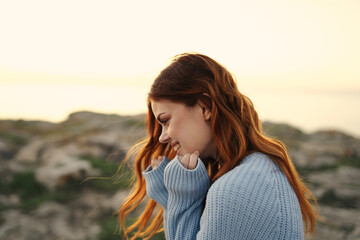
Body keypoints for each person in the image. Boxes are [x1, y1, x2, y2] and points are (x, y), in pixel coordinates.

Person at [118, 53, 320, 240]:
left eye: (166, 120)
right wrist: (171, 197)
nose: (162, 137)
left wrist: (181, 200)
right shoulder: (260, 167)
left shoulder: (233, 189)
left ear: (205, 107)